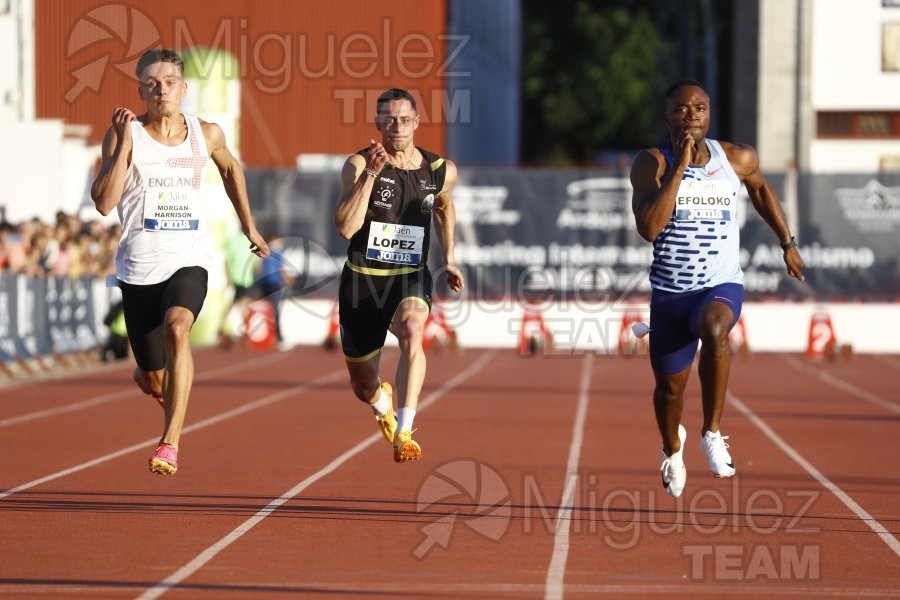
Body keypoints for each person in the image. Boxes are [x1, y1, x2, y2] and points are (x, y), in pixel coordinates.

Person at [90, 48, 269, 475]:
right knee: (154, 377)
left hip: (189, 257)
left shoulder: (205, 134)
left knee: (178, 328)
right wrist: (122, 150)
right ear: (141, 91)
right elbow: (103, 203)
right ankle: (152, 382)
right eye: (152, 84)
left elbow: (231, 171)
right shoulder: (123, 133)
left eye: (169, 82)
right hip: (138, 268)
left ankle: (169, 442)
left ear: (184, 89)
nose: (161, 90)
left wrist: (249, 225)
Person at [630, 79, 805, 497]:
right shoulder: (651, 163)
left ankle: (712, 431)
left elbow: (761, 188)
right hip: (672, 295)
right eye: (682, 109)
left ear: (710, 115)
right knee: (669, 392)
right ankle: (673, 449)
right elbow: (650, 228)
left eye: (700, 109)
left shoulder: (737, 158)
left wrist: (788, 243)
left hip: (719, 284)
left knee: (715, 329)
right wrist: (678, 169)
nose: (691, 115)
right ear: (667, 115)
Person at [333, 88, 464, 463]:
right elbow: (345, 227)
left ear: (417, 122)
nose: (397, 127)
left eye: (404, 120)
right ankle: (381, 405)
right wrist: (371, 175)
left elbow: (443, 206)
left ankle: (405, 430)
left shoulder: (440, 170)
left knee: (412, 330)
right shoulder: (358, 166)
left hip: (409, 275)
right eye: (389, 120)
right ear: (377, 124)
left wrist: (450, 258)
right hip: (362, 281)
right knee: (362, 385)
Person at [218, 228, 260, 348]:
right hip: (238, 278)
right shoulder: (234, 240)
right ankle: (239, 331)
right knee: (240, 304)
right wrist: (227, 277)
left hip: (246, 279)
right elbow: (227, 260)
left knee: (239, 304)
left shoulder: (249, 241)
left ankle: (226, 328)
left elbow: (255, 262)